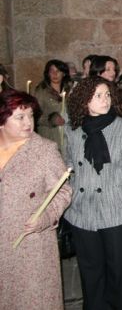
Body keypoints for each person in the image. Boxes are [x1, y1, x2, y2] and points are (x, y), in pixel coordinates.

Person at [63, 76, 122, 310]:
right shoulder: (73, 130)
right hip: (83, 212)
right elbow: (69, 169)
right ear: (84, 100)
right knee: (91, 273)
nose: (105, 100)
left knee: (119, 273)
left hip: (116, 211)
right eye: (98, 96)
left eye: (107, 95)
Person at [0, 90, 72, 310]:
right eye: (20, 117)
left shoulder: (44, 150)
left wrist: (45, 217)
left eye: (31, 116)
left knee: (33, 300)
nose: (28, 123)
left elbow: (63, 191)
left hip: (31, 243)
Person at [34, 59, 72, 154]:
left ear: (63, 73)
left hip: (69, 134)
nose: (55, 74)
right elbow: (35, 115)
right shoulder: (41, 91)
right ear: (47, 74)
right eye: (52, 71)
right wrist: (51, 119)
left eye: (58, 71)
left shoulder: (71, 90)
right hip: (50, 135)